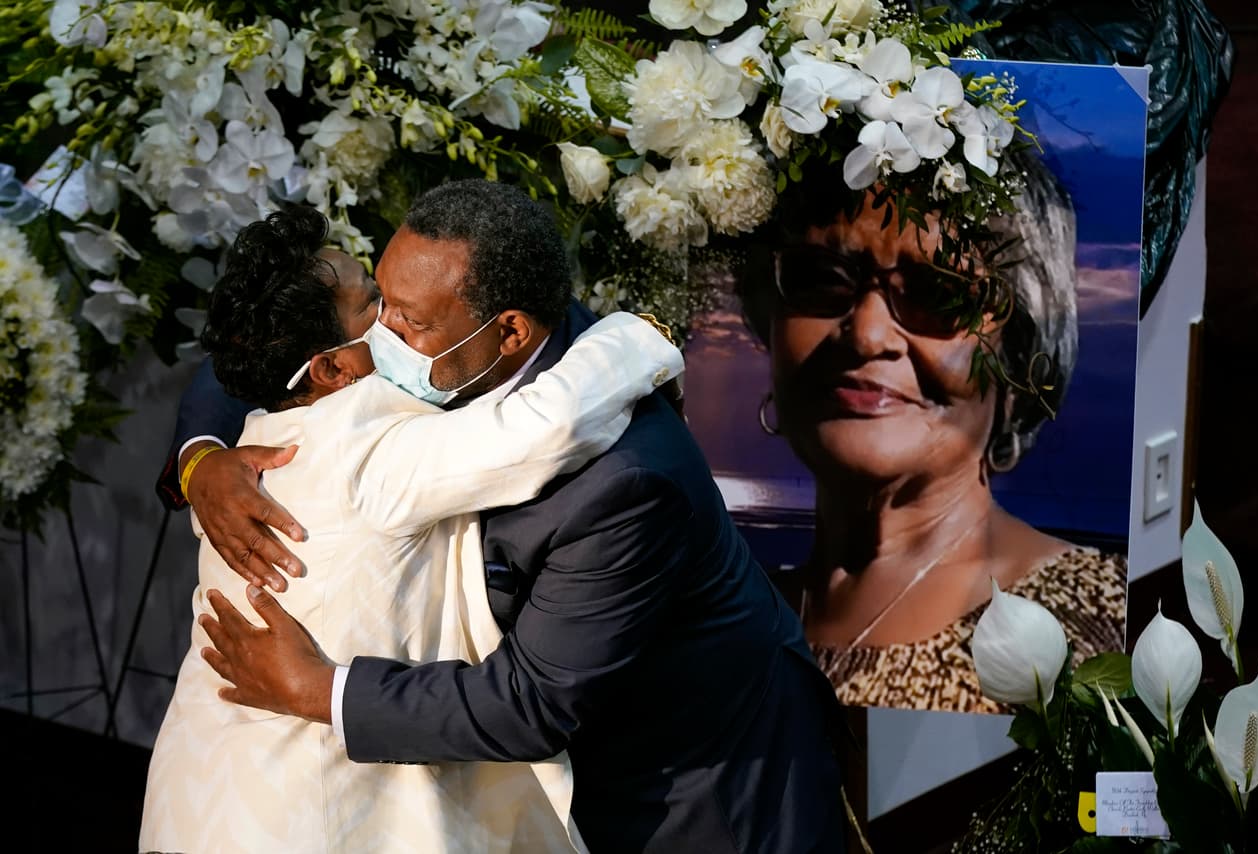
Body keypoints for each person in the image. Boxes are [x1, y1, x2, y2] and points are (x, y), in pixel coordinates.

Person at [157, 180, 848, 853]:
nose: (383, 332)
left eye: (407, 320)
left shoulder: (624, 477)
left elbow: (530, 704)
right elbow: (259, 342)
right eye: (379, 302)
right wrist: (202, 457)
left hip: (690, 791)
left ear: (510, 332)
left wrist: (321, 689)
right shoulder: (436, 340)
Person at [737, 150, 1127, 714]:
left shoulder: (1093, 628)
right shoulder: (725, 618)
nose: (868, 336)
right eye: (820, 280)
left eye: (938, 293)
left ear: (1018, 358)